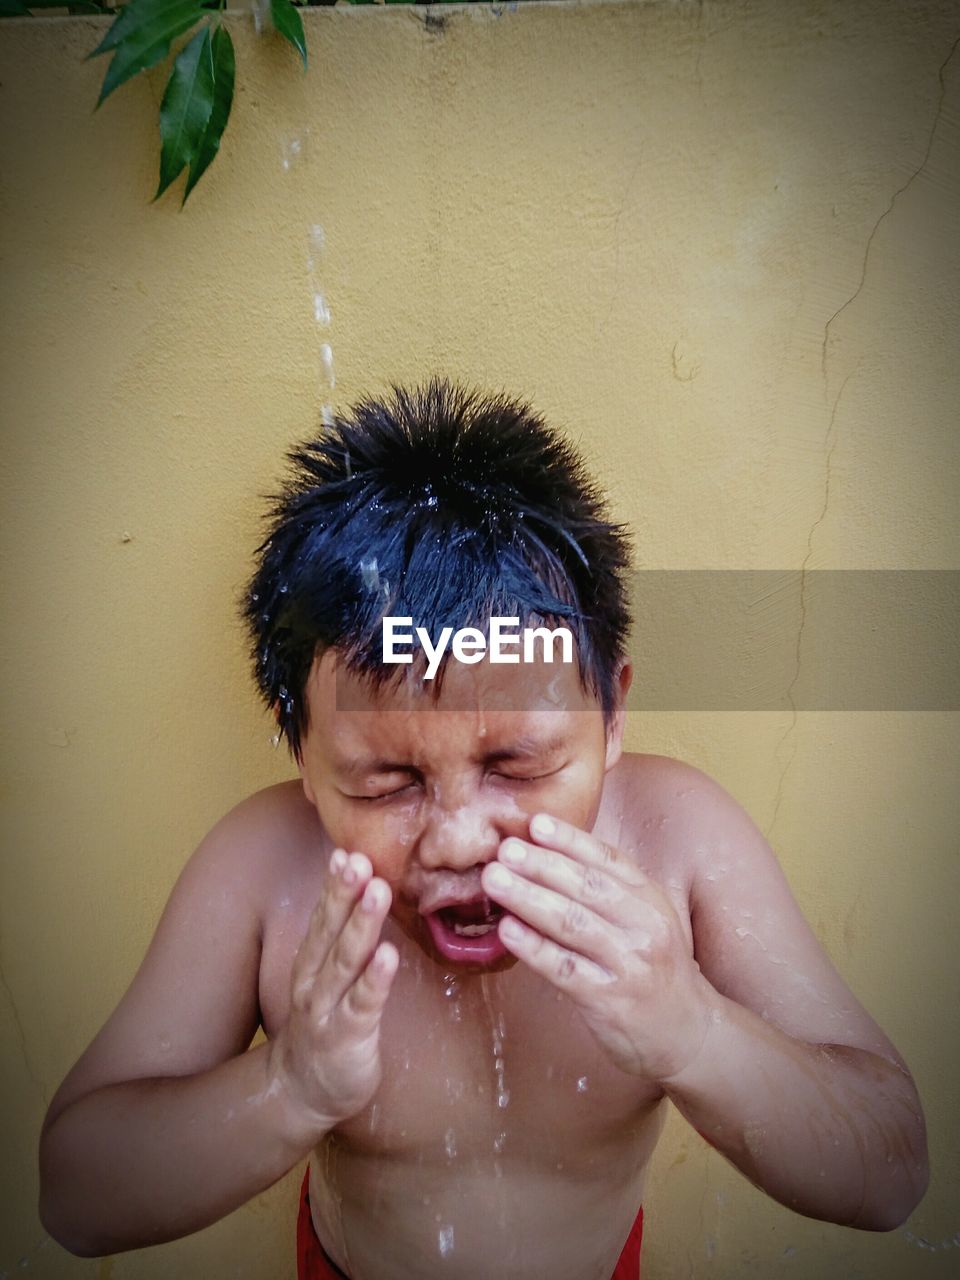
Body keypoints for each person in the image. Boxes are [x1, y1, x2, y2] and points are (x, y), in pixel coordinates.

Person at [38, 379, 928, 1279]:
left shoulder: (680, 846)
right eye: (388, 782)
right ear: (302, 754)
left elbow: (889, 1172)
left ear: (612, 715)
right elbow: (77, 1195)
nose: (459, 838)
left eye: (518, 766)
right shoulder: (264, 874)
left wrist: (696, 1032)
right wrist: (288, 1090)